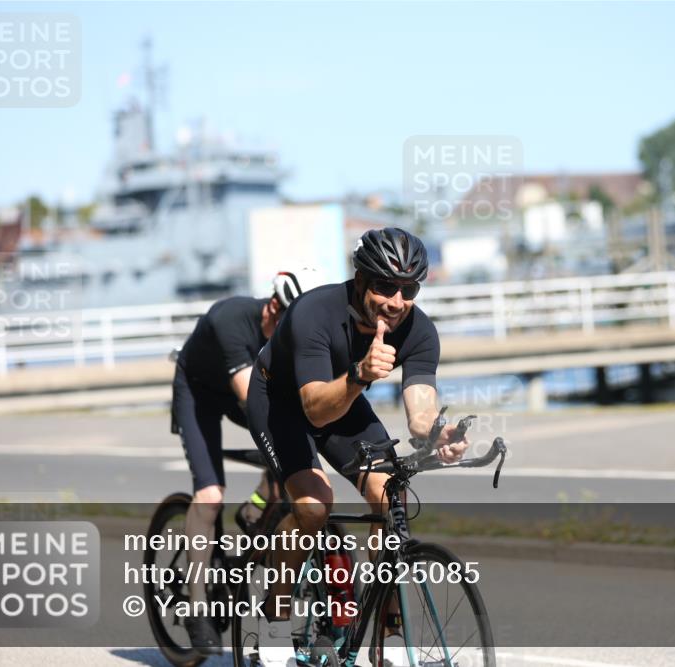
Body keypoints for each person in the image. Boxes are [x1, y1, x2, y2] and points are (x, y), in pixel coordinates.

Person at [246, 227, 469, 657]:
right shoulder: (314, 313)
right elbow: (314, 409)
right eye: (386, 286)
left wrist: (437, 432)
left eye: (409, 289)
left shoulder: (418, 331)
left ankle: (388, 635)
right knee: (313, 507)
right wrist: (360, 374)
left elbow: (420, 410)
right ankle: (275, 621)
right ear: (361, 279)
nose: (397, 301)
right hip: (281, 402)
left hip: (343, 398)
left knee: (391, 498)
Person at [171, 267, 325, 654]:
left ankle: (255, 511)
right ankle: (197, 606)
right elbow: (250, 398)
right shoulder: (231, 319)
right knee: (209, 495)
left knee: (287, 464)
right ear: (274, 307)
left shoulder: (292, 335)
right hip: (200, 394)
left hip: (244, 391)